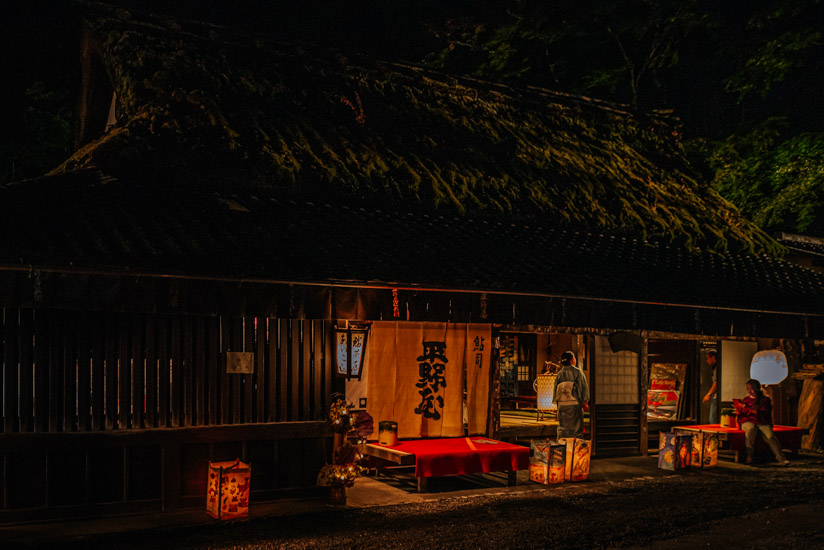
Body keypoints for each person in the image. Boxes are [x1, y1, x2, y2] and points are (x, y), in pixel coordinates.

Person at [734, 378, 789, 466]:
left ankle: (781, 458)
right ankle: (749, 456)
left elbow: (762, 412)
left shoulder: (765, 400)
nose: (749, 391)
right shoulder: (746, 399)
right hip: (748, 421)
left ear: (757, 388)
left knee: (770, 436)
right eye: (748, 389)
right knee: (750, 430)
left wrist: (746, 407)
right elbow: (742, 414)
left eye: (751, 389)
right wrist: (738, 409)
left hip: (762, 422)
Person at [553, 351, 590, 439]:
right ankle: (576, 447)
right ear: (573, 360)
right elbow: (583, 387)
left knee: (563, 427)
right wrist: (585, 401)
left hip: (562, 405)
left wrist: (557, 404)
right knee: (576, 428)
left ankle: (562, 443)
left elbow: (555, 392)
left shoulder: (559, 374)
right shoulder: (578, 372)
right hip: (575, 404)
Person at [702, 350, 719, 424]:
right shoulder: (714, 368)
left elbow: (716, 382)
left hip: (717, 396)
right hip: (716, 396)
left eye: (707, 358)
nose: (706, 360)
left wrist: (709, 394)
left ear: (713, 357)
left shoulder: (717, 368)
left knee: (712, 419)